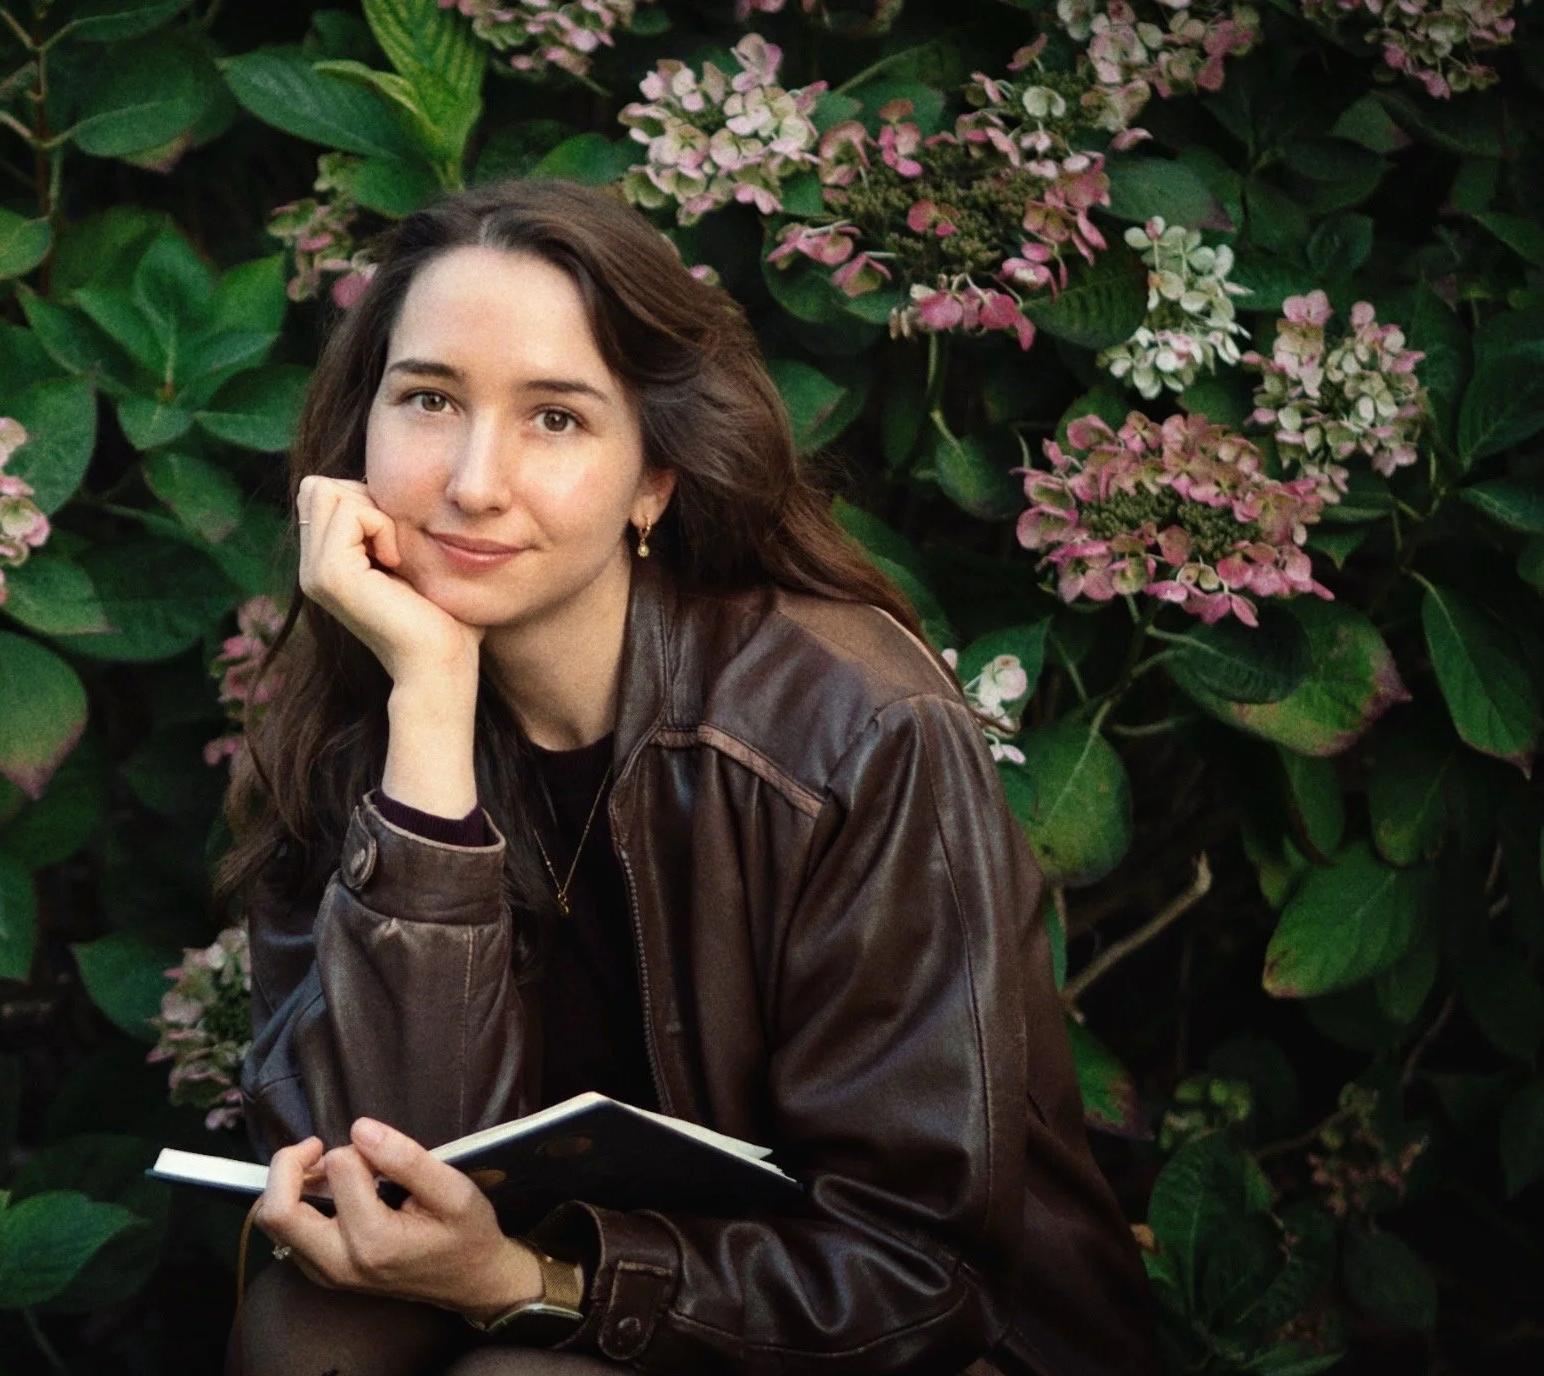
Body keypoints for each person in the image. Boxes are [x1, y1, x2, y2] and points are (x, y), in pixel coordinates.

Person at [211, 178, 1158, 1376]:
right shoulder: (361, 711)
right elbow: (375, 1170)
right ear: (360, 432)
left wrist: (533, 1284)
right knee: (308, 1332)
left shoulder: (851, 729)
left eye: (554, 418)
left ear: (652, 477)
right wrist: (431, 720)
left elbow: (925, 1269)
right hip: (558, 1281)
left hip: (899, 1336)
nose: (470, 481)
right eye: (429, 399)